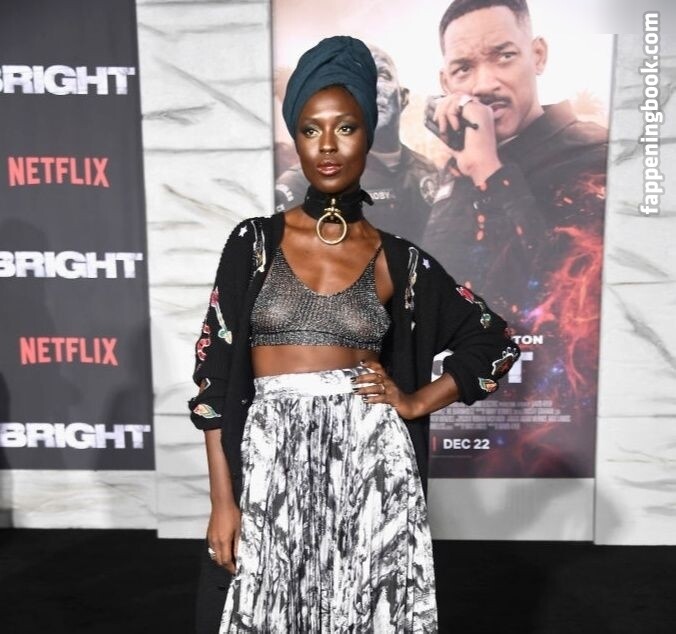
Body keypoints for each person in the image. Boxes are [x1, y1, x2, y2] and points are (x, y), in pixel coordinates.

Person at [189, 36, 518, 633]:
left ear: (367, 134)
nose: (328, 146)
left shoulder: (399, 259)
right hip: (268, 466)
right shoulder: (253, 243)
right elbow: (214, 386)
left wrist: (415, 401)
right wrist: (222, 502)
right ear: (296, 139)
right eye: (311, 130)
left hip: (370, 466)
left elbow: (493, 340)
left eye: (345, 128)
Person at [422, 0, 608, 476]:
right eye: (464, 68)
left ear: (538, 55)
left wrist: (491, 172)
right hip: (456, 428)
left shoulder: (595, 156)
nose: (484, 84)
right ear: (446, 82)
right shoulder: (457, 166)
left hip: (550, 448)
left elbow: (569, 307)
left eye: (504, 56)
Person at [275, 44, 438, 244]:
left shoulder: (430, 172)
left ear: (403, 97)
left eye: (383, 75)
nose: (371, 88)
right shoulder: (302, 183)